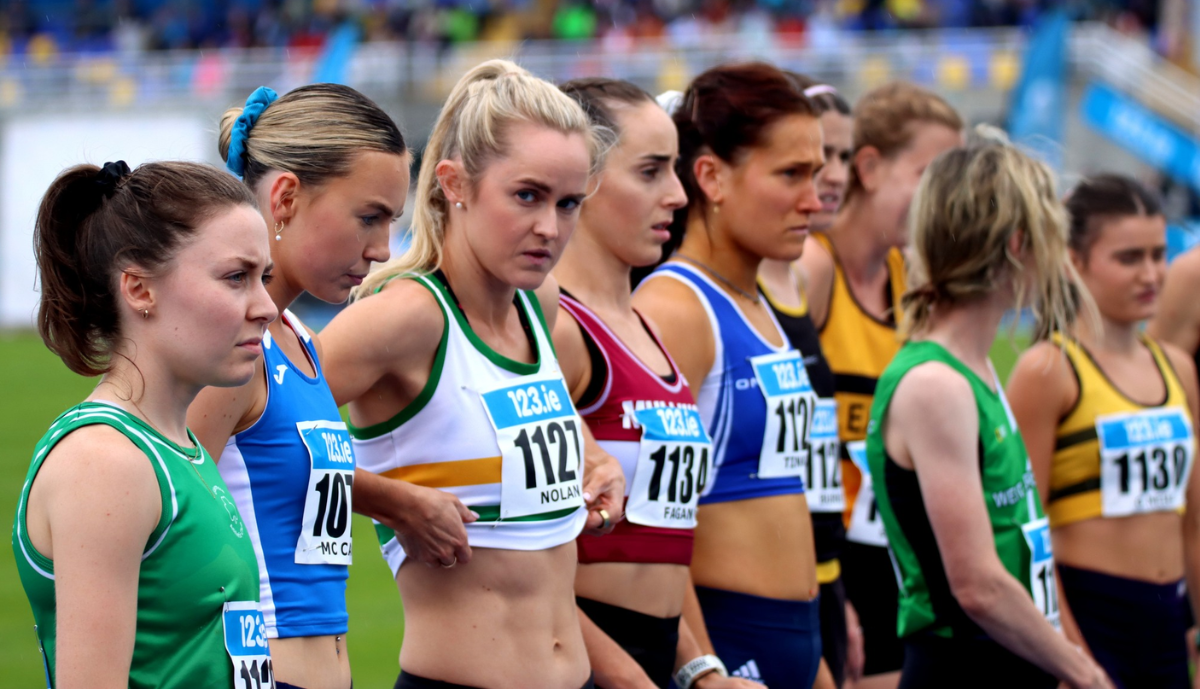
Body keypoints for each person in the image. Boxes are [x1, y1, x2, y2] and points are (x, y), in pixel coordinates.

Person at [319, 59, 624, 689]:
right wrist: (392, 502)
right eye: (527, 196)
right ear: (454, 183)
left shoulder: (538, 305)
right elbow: (250, 436)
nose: (551, 228)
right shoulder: (404, 317)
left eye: (569, 203)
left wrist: (593, 460)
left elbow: (540, 418)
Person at [13, 160, 277, 688]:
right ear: (138, 290)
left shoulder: (179, 446)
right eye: (235, 278)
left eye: (263, 277)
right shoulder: (105, 462)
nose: (266, 306)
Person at [187, 83, 413, 689]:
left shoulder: (298, 339)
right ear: (286, 197)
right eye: (370, 217)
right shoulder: (234, 352)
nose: (384, 248)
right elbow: (166, 523)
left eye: (392, 220)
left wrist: (400, 502)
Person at [864, 135, 1112, 688]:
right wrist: (1085, 672)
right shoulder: (937, 384)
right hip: (967, 666)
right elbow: (976, 583)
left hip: (1006, 659)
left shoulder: (973, 365)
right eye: (1054, 233)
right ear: (1019, 244)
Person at [553, 77, 761, 690]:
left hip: (655, 656)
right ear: (582, 179)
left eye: (675, 169)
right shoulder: (559, 332)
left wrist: (701, 671)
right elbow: (519, 556)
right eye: (650, 171)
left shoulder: (647, 325)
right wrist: (629, 681)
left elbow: (662, 541)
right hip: (584, 658)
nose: (678, 194)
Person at [634, 62, 825, 689]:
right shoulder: (677, 309)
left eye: (817, 174)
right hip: (727, 644)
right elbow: (645, 521)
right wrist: (700, 670)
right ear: (711, 176)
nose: (814, 200)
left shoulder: (756, 301)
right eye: (790, 174)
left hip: (794, 638)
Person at [797, 81, 963, 687]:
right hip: (823, 558)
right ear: (870, 167)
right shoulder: (812, 271)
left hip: (897, 555)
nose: (948, 197)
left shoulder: (909, 277)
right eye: (932, 173)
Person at [1008, 174, 1200, 688]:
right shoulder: (1047, 370)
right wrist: (1068, 650)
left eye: (1159, 254)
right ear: (1073, 260)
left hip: (1166, 620)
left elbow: (1193, 525)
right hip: (1089, 618)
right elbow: (1028, 528)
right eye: (1129, 258)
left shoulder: (1178, 367)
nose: (1151, 274)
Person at [757, 76, 855, 688]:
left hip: (820, 568)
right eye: (808, 166)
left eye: (842, 157)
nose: (833, 178)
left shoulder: (806, 270)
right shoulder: (690, 297)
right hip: (761, 594)